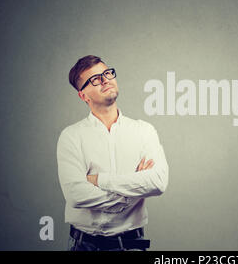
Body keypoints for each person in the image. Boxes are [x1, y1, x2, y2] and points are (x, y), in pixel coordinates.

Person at [57, 55, 169, 251]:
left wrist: (99, 180)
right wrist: (133, 189)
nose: (105, 79)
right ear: (83, 96)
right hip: (84, 245)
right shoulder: (71, 136)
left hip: (131, 245)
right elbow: (76, 195)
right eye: (95, 79)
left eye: (107, 73)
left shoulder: (144, 130)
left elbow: (158, 182)